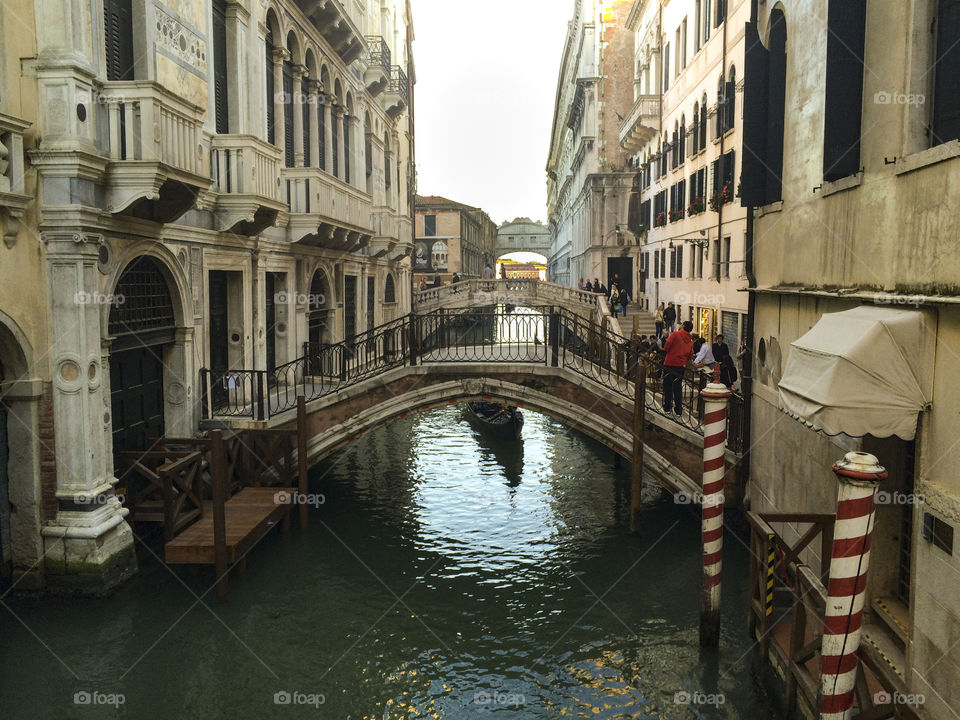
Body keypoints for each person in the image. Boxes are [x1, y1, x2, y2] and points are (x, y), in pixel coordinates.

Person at [662, 321, 694, 416]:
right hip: (680, 366)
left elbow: (666, 347)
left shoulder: (675, 334)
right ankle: (678, 410)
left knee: (668, 387)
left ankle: (668, 408)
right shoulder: (691, 341)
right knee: (677, 388)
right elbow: (690, 355)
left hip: (670, 363)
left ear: (683, 326)